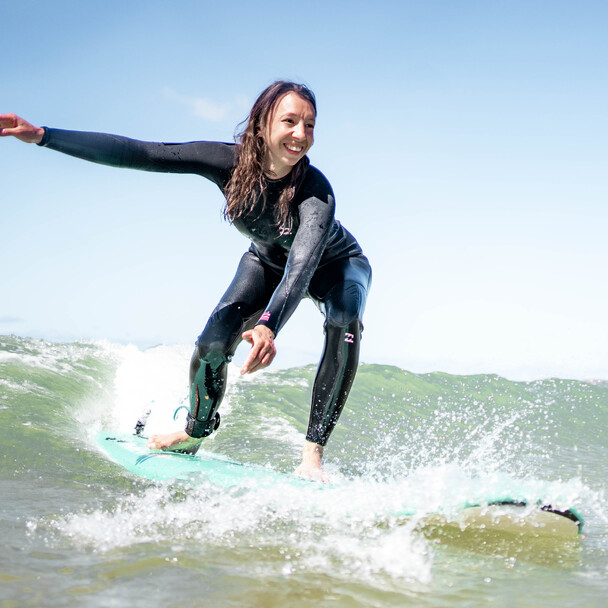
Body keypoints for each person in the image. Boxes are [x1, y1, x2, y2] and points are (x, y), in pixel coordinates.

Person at [1, 80, 372, 482]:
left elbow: (300, 269)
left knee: (343, 317)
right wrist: (43, 136)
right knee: (213, 342)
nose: (301, 134)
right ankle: (194, 432)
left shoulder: (316, 193)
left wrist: (267, 325)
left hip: (336, 265)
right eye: (290, 121)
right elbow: (144, 153)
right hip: (265, 262)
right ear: (262, 125)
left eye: (310, 125)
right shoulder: (228, 163)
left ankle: (312, 454)